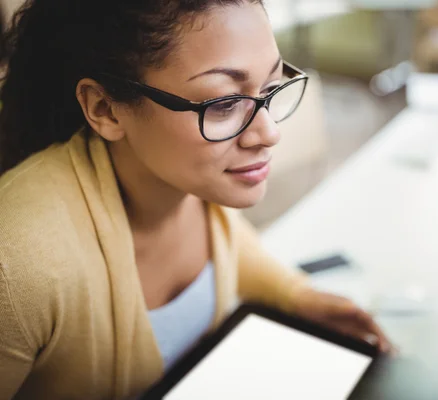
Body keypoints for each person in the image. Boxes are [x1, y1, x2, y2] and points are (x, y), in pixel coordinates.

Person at [0, 0, 393, 398]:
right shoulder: (17, 264)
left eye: (271, 88)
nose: (268, 133)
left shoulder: (187, 183)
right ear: (106, 109)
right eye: (223, 103)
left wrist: (295, 294)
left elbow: (229, 246)